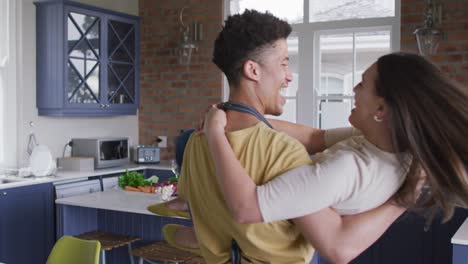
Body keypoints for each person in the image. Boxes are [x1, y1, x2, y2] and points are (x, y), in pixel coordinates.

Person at [176, 9, 409, 264]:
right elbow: (335, 242)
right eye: (284, 63)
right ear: (253, 70)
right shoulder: (284, 153)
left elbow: (190, 207)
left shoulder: (197, 141)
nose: (289, 76)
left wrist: (223, 115)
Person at [202, 52, 468, 261]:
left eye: (363, 83)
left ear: (381, 108)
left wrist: (215, 132)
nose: (354, 88)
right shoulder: (393, 145)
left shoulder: (346, 169)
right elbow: (315, 137)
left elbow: (246, 208)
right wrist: (237, 116)